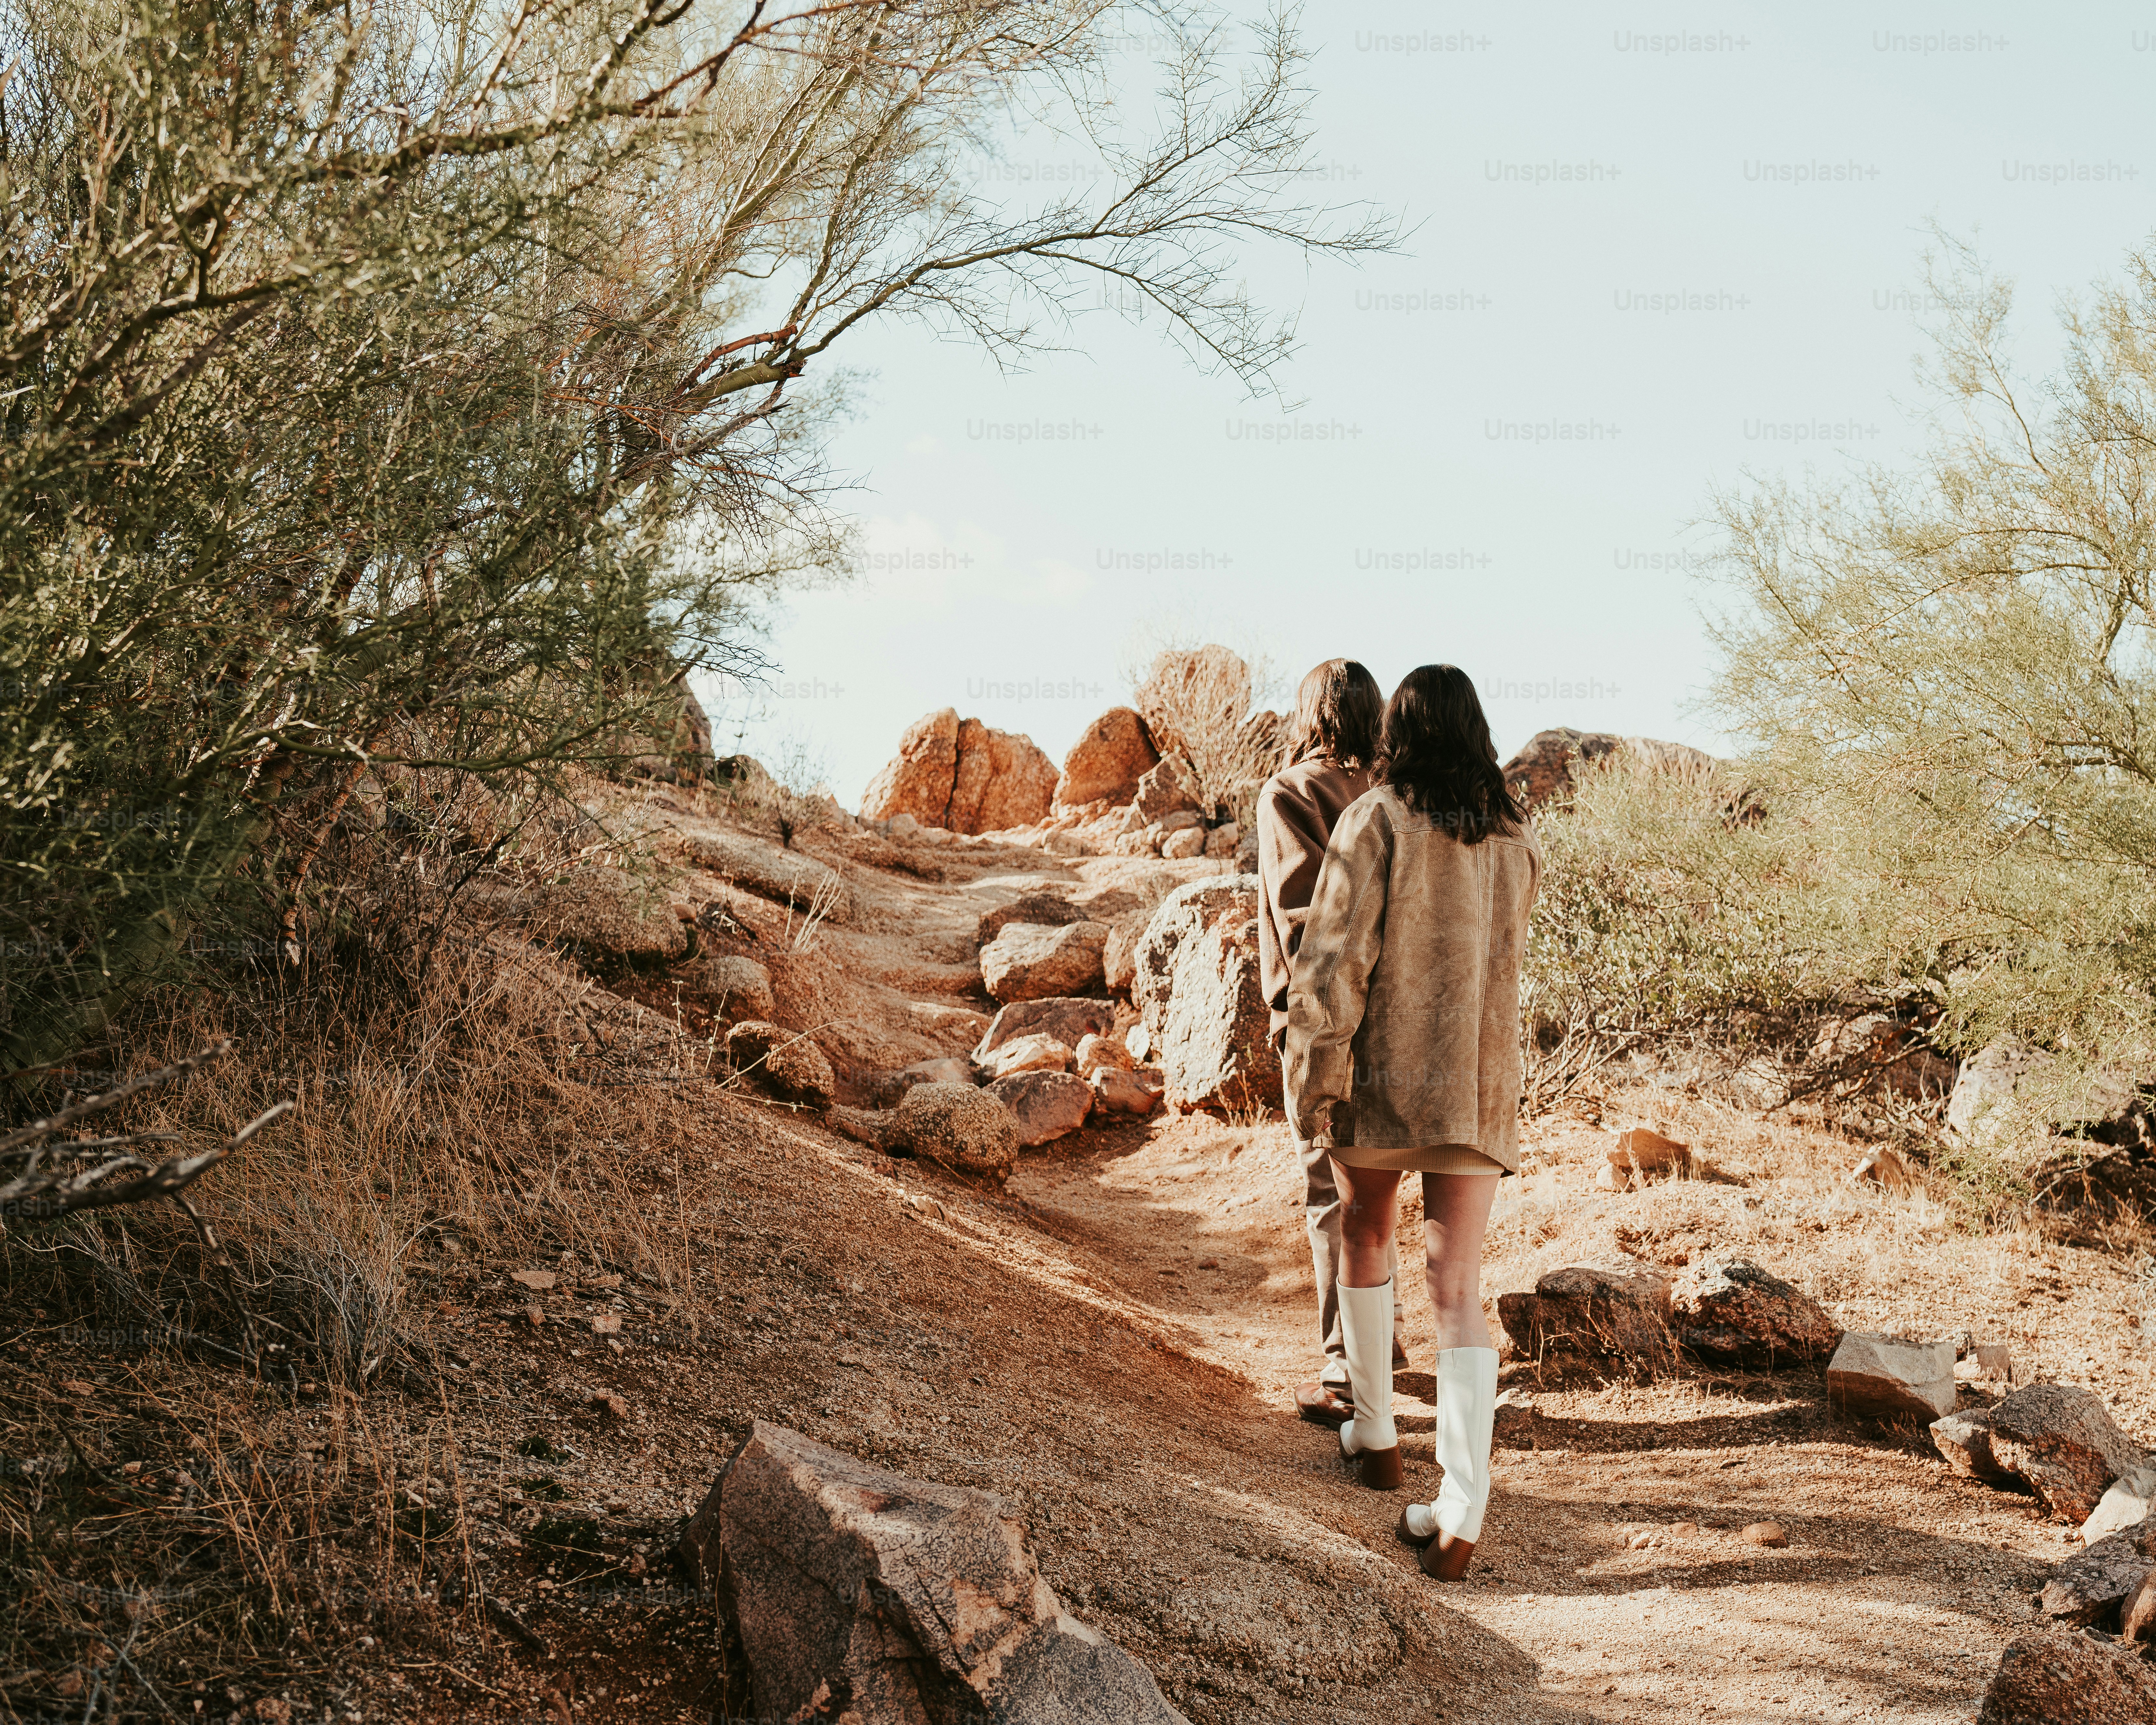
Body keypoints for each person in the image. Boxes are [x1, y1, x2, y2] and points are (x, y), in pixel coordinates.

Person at [1283, 664, 1540, 1582]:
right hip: (1475, 1090)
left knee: (1365, 1233)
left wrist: (1311, 1079)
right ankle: (1461, 1510)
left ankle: (1376, 1432)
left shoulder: (1376, 818)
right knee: (1458, 1285)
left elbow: (1332, 963)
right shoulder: (1514, 839)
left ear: (1400, 732)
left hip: (1384, 1083)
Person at [1255, 659, 1403, 1431]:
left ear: (1310, 712)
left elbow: (1301, 917)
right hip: (1399, 1021)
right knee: (1377, 1190)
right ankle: (1380, 1342)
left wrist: (1302, 1023)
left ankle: (1348, 1368)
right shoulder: (1396, 796)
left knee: (1331, 1194)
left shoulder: (1290, 792)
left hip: (1325, 1025)